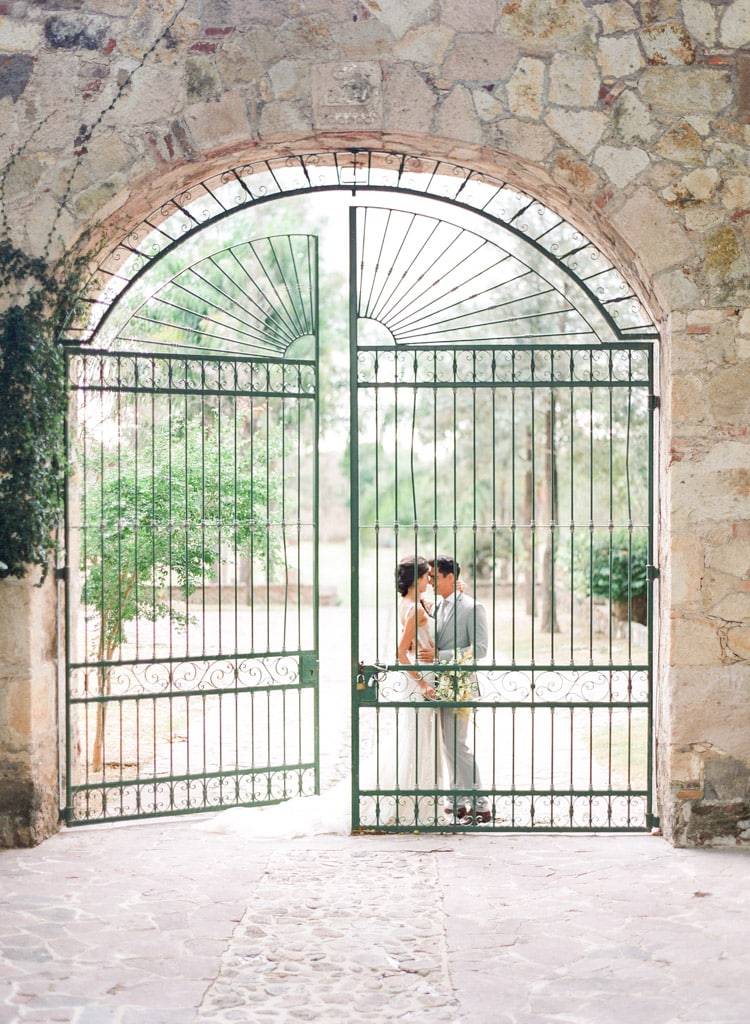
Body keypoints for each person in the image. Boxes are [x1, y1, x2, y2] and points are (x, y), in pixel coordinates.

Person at [426, 555, 491, 824]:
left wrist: (440, 657)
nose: (430, 581)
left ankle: (481, 804)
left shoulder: (473, 608)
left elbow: (480, 649)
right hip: (441, 687)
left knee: (458, 745)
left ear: (450, 578)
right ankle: (457, 800)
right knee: (447, 745)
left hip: (461, 686)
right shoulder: (437, 606)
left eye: (435, 577)